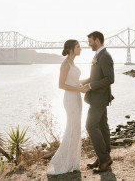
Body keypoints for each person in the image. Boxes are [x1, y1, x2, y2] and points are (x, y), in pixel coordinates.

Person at [47, 39, 87, 175]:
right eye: (78, 47)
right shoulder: (65, 64)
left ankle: (72, 163)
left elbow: (74, 82)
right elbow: (61, 85)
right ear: (71, 49)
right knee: (72, 129)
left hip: (76, 97)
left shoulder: (72, 63)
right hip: (70, 99)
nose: (80, 49)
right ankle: (61, 163)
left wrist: (89, 80)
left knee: (76, 129)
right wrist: (80, 89)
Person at [81, 31, 115, 173]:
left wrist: (90, 86)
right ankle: (103, 157)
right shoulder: (98, 55)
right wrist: (82, 82)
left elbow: (109, 79)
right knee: (102, 127)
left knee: (90, 126)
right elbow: (96, 77)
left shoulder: (105, 56)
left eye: (90, 41)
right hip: (98, 98)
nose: (88, 44)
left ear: (97, 40)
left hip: (99, 98)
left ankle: (104, 158)